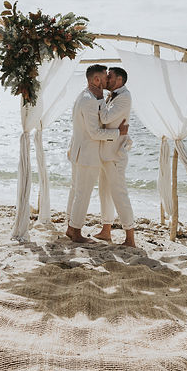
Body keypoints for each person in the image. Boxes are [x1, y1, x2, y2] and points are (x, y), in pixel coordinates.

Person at [65, 64, 128, 243]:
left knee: (77, 191)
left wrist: (101, 99)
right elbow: (95, 133)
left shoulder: (87, 96)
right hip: (87, 154)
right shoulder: (89, 100)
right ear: (96, 80)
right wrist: (119, 133)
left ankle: (71, 227)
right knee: (82, 194)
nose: (108, 80)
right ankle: (75, 231)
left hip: (79, 151)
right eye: (105, 78)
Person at [96, 66, 136, 247]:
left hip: (116, 155)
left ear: (119, 80)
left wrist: (98, 97)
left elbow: (104, 119)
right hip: (105, 152)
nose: (106, 80)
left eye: (109, 77)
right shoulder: (111, 96)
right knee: (104, 193)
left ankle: (130, 237)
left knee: (120, 194)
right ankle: (106, 231)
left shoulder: (125, 98)